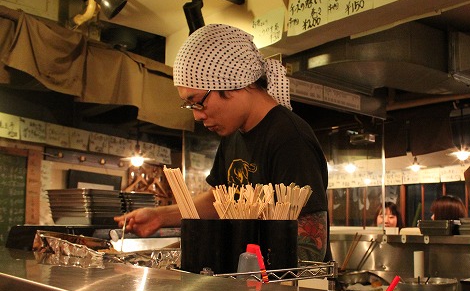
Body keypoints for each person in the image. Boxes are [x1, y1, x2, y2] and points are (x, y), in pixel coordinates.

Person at [114, 24, 329, 262]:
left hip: (285, 289)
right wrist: (159, 216)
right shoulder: (233, 136)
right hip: (247, 283)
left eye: (198, 102)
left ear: (234, 82)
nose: (197, 115)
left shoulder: (289, 137)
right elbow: (221, 200)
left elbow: (312, 246)